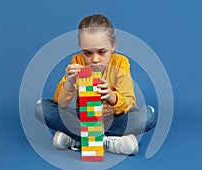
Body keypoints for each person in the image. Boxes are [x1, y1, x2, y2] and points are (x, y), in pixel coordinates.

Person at [35, 14, 157, 155]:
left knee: (148, 115)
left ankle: (78, 139)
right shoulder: (78, 61)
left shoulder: (120, 63)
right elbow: (60, 103)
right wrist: (69, 82)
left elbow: (129, 103)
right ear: (81, 49)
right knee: (41, 108)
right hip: (84, 119)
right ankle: (109, 142)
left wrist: (111, 96)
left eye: (102, 52)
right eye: (87, 53)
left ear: (112, 46)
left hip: (113, 119)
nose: (95, 59)